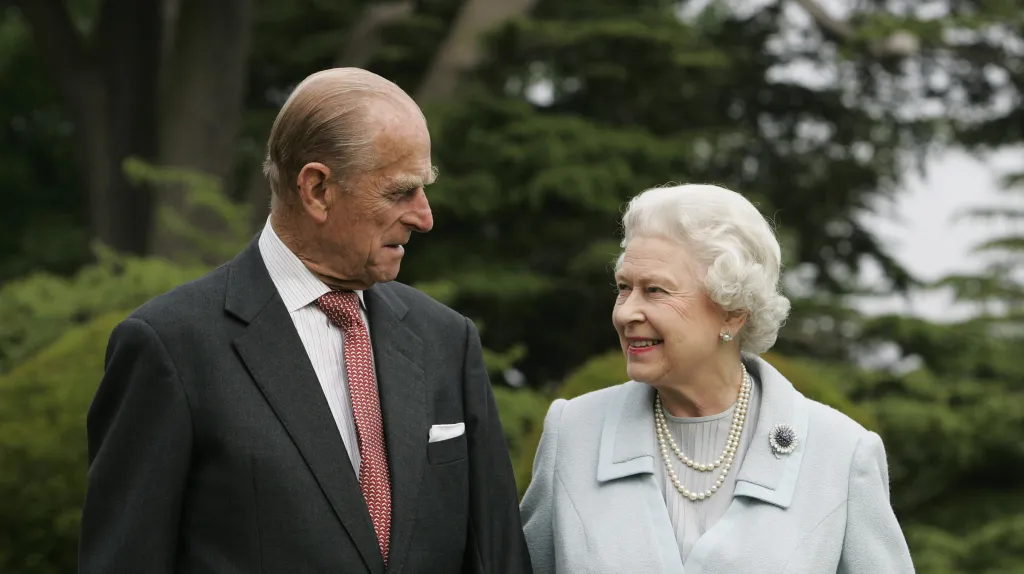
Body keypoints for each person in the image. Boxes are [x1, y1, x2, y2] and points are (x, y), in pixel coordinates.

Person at [79, 68, 531, 574]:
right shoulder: (170, 346)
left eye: (423, 190)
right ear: (317, 189)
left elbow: (499, 557)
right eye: (400, 192)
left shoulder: (448, 340)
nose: (424, 216)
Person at [520, 184, 915, 572]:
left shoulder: (841, 454)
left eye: (655, 290)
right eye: (624, 288)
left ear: (732, 312)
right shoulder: (573, 433)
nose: (626, 313)